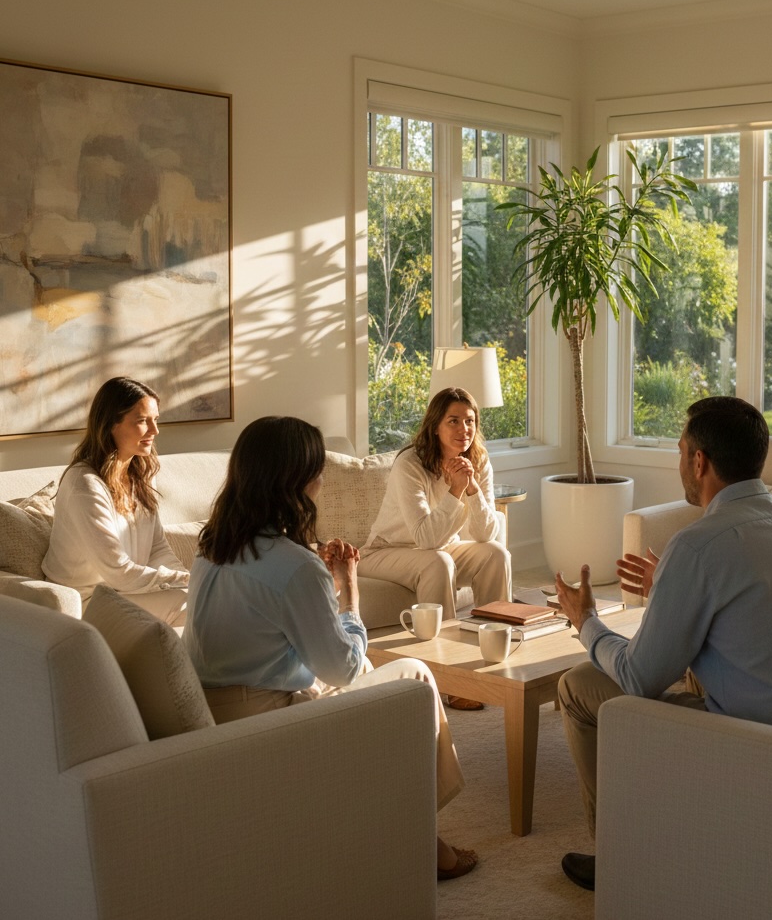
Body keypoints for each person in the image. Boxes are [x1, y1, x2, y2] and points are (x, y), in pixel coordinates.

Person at [553, 396, 772, 892]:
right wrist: (673, 586)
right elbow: (755, 612)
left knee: (576, 686)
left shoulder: (699, 544)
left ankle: (618, 856)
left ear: (699, 461)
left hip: (761, 740)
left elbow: (638, 677)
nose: (680, 461)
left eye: (680, 451)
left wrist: (585, 619)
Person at [182, 415, 477, 881]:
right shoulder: (295, 566)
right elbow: (346, 670)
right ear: (297, 482)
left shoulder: (211, 548)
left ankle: (415, 828)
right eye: (317, 470)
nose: (322, 480)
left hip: (214, 711)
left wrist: (315, 582)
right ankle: (421, 831)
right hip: (270, 722)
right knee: (416, 676)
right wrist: (348, 592)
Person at [358, 386, 512, 710]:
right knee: (437, 562)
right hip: (385, 551)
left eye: (469, 421)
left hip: (443, 545)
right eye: (453, 421)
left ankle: (496, 660)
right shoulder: (410, 463)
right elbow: (425, 538)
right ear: (435, 426)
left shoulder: (478, 461)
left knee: (497, 555)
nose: (463, 429)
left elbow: (486, 535)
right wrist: (455, 492)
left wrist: (471, 489)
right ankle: (451, 679)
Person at [42, 376, 189, 624]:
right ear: (111, 424)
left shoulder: (141, 475)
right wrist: (189, 581)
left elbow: (157, 548)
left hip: (124, 593)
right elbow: (118, 573)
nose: (155, 431)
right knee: (188, 601)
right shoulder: (85, 485)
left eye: (155, 420)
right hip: (85, 603)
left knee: (197, 597)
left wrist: (187, 578)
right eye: (142, 421)